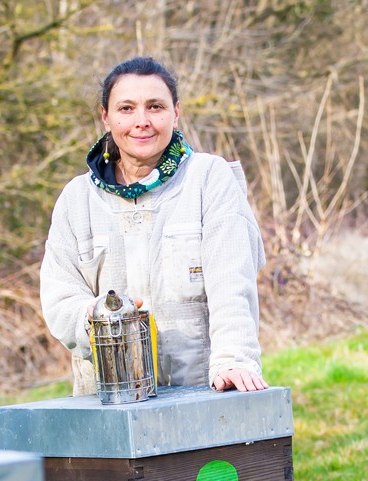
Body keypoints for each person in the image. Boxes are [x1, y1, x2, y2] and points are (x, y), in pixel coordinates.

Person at [40, 56, 268, 395]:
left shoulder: (209, 179)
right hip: (109, 400)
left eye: (155, 107)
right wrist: (93, 314)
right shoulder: (77, 200)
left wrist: (233, 359)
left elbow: (232, 283)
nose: (142, 121)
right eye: (127, 109)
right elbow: (60, 297)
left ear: (176, 113)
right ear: (106, 117)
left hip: (201, 393)